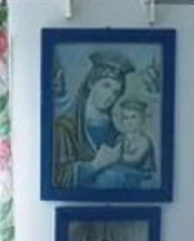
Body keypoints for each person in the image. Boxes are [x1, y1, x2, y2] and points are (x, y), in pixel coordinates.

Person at [51, 50, 133, 191]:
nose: (110, 96)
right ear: (90, 83)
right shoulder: (64, 127)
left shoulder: (114, 132)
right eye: (106, 86)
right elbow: (57, 179)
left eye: (116, 92)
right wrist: (95, 165)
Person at [90, 99, 158, 191]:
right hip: (123, 169)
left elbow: (135, 159)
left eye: (133, 117)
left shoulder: (143, 140)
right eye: (126, 118)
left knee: (109, 176)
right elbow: (115, 151)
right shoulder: (121, 138)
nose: (129, 122)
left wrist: (115, 158)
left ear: (142, 119)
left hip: (141, 173)